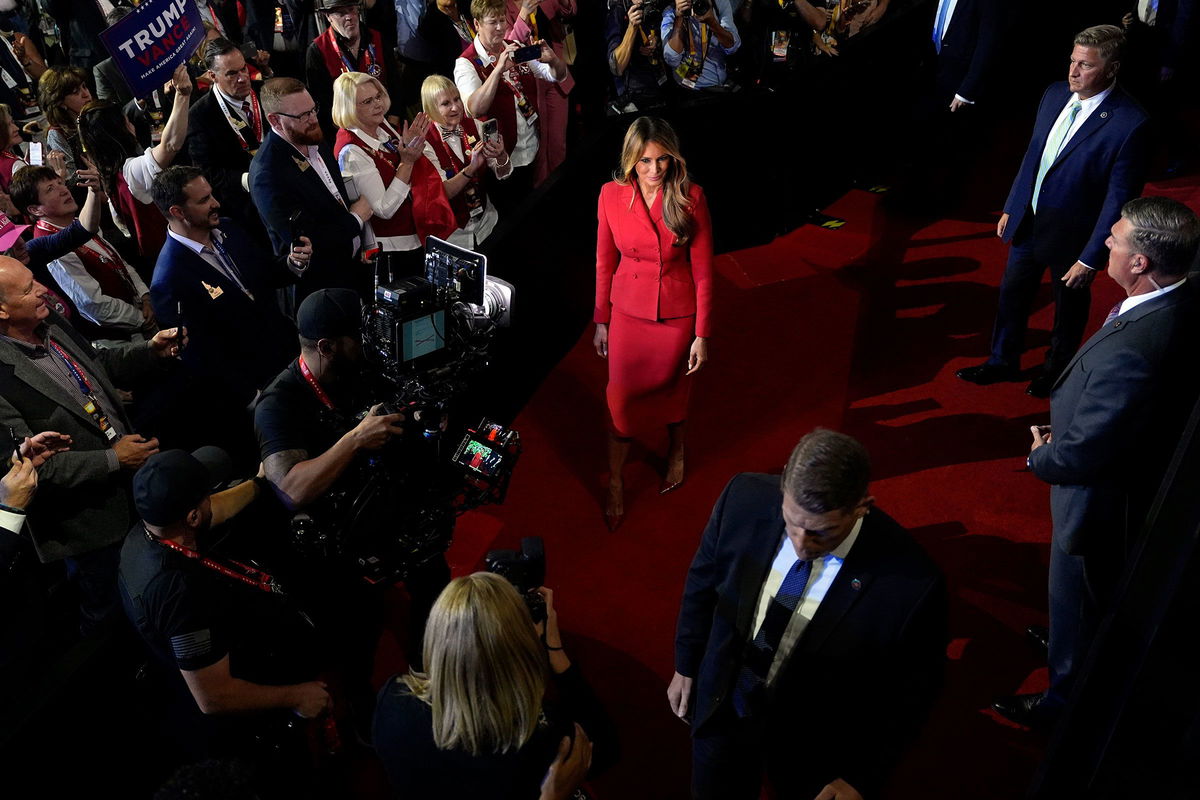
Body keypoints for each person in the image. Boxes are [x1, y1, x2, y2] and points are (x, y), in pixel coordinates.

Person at [992, 197, 1200, 728]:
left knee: (1079, 593)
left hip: (1097, 505)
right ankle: (1066, 635)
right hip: (1119, 471)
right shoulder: (1175, 302)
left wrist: (1043, 456)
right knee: (1076, 604)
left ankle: (1064, 700)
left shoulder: (1137, 345)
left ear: (1140, 263)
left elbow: (1085, 452)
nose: (1105, 242)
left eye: (1116, 237)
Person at [669, 429, 947, 799]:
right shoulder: (743, 498)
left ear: (863, 505)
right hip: (724, 703)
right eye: (791, 522)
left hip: (813, 739)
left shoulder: (913, 584)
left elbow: (912, 691)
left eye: (823, 534)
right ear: (784, 482)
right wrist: (687, 663)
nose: (801, 545)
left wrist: (860, 776)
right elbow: (704, 582)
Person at [254, 288, 449, 661]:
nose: (371, 342)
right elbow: (289, 490)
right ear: (326, 347)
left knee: (434, 591)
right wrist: (354, 441)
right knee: (359, 639)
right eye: (359, 337)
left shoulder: (359, 366)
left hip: (393, 509)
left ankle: (434, 666)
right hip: (338, 544)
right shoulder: (279, 404)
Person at [957, 25, 1150, 397]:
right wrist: (1013, 207)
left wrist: (1092, 258)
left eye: (1086, 65)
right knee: (1012, 295)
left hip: (1075, 238)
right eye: (1072, 61)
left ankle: (1054, 371)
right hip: (1029, 224)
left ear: (1111, 69)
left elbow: (1119, 198)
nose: (1073, 72)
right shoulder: (1054, 94)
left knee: (1068, 312)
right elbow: (1033, 156)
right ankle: (1002, 361)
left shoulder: (1130, 123)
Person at [0, 255, 185, 634]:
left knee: (163, 594)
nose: (43, 290)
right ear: (1, 310)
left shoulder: (48, 319)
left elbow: (97, 363)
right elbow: (26, 469)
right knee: (112, 616)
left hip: (134, 487)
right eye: (28, 289)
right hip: (90, 527)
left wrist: (148, 351)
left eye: (35, 279)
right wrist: (112, 460)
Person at [118, 447, 332, 759]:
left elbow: (212, 510)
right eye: (205, 495)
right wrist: (297, 696)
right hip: (249, 702)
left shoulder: (149, 528)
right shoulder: (178, 595)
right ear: (191, 516)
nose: (213, 497)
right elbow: (213, 696)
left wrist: (259, 483)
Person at [373, 572, 613, 799]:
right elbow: (604, 750)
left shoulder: (392, 700)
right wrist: (555, 650)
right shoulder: (538, 736)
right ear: (521, 651)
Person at [593, 116, 712, 530]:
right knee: (620, 399)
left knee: (674, 389)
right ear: (631, 161)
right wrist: (601, 321)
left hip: (677, 316)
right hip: (627, 311)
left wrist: (701, 334)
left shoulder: (691, 197)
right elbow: (604, 262)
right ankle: (616, 483)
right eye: (645, 161)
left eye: (662, 160)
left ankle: (676, 449)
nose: (655, 170)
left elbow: (703, 271)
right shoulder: (610, 195)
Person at [150, 166, 311, 462]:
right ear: (177, 211)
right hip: (257, 390)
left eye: (211, 194)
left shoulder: (229, 228)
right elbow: (200, 357)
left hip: (289, 356)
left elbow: (262, 275)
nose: (215, 203)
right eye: (203, 200)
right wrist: (252, 397)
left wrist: (290, 264)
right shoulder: (169, 279)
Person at [249, 77, 374, 303]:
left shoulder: (312, 137)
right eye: (302, 116)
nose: (313, 119)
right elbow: (308, 241)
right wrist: (356, 220)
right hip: (319, 288)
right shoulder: (267, 174)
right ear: (275, 121)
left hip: (352, 268)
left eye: (313, 109)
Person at [11, 164, 155, 345]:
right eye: (50, 189)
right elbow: (94, 306)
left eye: (59, 182)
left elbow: (116, 259)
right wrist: (142, 319)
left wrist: (144, 296)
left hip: (139, 312)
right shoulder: (48, 248)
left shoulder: (77, 221)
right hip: (120, 338)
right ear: (35, 210)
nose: (63, 190)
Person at [332, 71, 456, 269]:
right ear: (349, 108)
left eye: (378, 96)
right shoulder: (351, 151)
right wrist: (407, 162)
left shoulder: (382, 126)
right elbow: (383, 209)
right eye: (367, 102)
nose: (378, 104)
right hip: (393, 251)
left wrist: (409, 146)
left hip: (415, 234)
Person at [79, 63, 194, 264]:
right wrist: (183, 95)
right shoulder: (131, 171)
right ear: (119, 130)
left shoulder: (110, 174)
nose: (131, 124)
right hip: (176, 256)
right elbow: (170, 145)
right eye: (126, 120)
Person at [454, 0, 569, 193]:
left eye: (502, 20)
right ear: (477, 24)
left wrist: (554, 61)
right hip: (501, 159)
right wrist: (498, 70)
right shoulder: (465, 63)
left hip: (533, 146)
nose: (500, 28)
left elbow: (555, 75)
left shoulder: (514, 45)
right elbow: (474, 108)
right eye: (493, 22)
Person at [187, 38, 271, 235]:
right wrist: (246, 180)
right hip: (245, 210)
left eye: (243, 69)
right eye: (232, 74)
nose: (242, 78)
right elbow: (207, 172)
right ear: (212, 76)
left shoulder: (266, 92)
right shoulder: (199, 116)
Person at [420, 74, 511, 250]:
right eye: (446, 104)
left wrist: (501, 156)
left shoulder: (475, 125)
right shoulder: (424, 144)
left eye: (457, 99)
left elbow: (503, 173)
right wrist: (471, 168)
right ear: (431, 109)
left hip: (487, 221)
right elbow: (443, 192)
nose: (456, 107)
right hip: (454, 236)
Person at [502, 0, 575, 184]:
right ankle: (542, 195)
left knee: (558, 144)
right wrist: (524, 12)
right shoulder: (501, 6)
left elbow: (569, 10)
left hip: (554, 71)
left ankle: (558, 188)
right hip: (529, 83)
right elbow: (509, 47)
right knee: (540, 148)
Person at [306, 0, 400, 137]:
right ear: (328, 16)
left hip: (386, 126)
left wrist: (393, 121)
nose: (349, 17)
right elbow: (320, 103)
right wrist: (348, 134)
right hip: (349, 132)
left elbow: (395, 82)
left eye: (351, 9)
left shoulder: (378, 38)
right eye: (341, 13)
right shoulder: (318, 50)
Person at [660, 0, 741, 91]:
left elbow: (733, 47)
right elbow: (671, 59)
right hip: (687, 87)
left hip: (720, 83)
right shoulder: (670, 12)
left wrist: (712, 22)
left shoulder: (719, 3)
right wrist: (679, 19)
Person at [606, 0, 670, 107]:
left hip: (660, 87)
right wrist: (632, 27)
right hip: (633, 95)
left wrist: (656, 41)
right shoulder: (618, 10)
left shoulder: (655, 4)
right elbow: (616, 67)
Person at [38, 65, 91, 175]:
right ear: (61, 102)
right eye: (76, 92)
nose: (86, 94)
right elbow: (71, 178)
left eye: (84, 86)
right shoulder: (57, 134)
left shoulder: (98, 115)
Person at [0, 27, 46, 130]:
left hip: (40, 116)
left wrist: (25, 60)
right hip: (7, 127)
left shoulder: (17, 39)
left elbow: (46, 76)